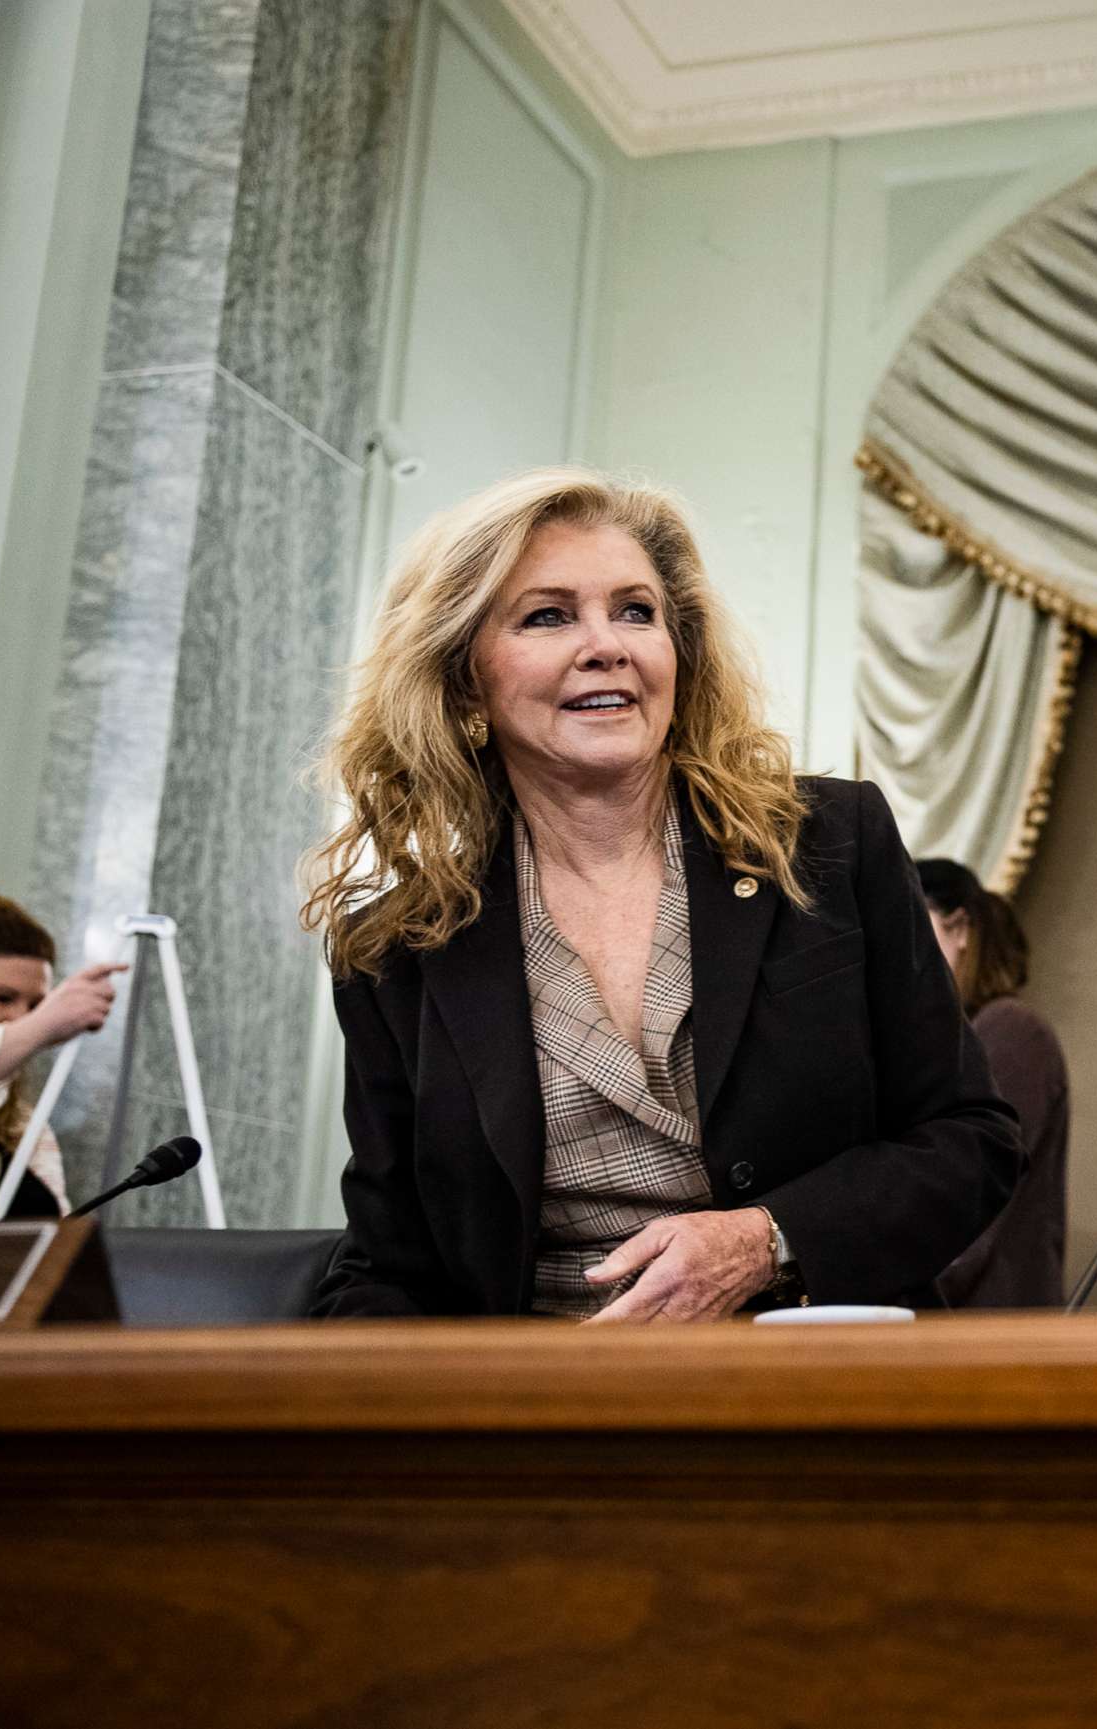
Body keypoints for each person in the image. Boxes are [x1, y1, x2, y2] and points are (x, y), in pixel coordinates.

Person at [300, 469, 1016, 1320]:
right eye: (548, 615)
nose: (608, 644)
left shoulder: (831, 842)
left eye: (636, 611)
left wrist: (765, 1240)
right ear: (465, 684)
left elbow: (971, 1141)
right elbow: (390, 1263)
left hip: (815, 1384)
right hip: (548, 1412)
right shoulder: (401, 946)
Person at [916, 859, 1069, 1308]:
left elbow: (972, 1207)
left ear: (961, 928)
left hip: (994, 1332)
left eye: (911, 927)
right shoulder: (943, 1045)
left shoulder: (1011, 1031)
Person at [0, 895, 121, 1221]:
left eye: (36, 1006)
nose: (20, 1017)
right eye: (2, 997)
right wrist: (41, 1025)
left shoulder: (25, 1127)